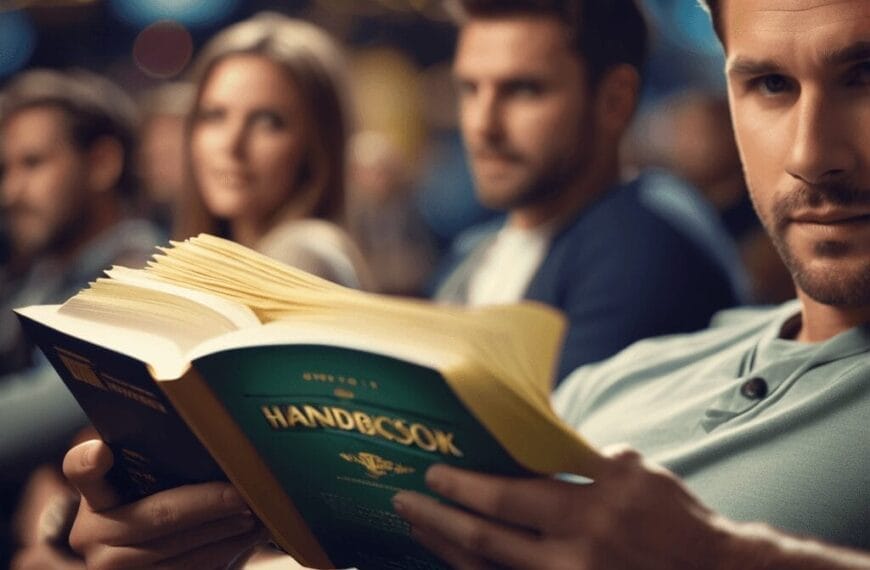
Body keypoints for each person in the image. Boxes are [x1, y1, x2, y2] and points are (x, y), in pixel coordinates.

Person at [39, 0, 870, 568]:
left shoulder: (644, 236)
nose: (811, 153)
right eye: (768, 83)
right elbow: (449, 506)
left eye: (865, 75)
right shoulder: (636, 366)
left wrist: (725, 561)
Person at [433, 0, 748, 383]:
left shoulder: (641, 243)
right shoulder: (472, 253)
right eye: (469, 89)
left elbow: (550, 439)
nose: (483, 125)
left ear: (615, 100)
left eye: (524, 90)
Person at [0, 68, 161, 565]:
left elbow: (29, 419)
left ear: (102, 162)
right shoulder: (43, 272)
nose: (11, 193)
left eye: (33, 164)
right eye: (5, 170)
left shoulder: (139, 279)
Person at [175, 13, 372, 290]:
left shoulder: (302, 252)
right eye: (214, 116)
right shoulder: (244, 255)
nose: (231, 145)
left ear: (319, 143)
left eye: (267, 121)